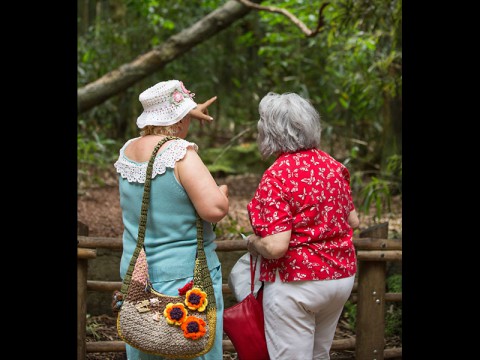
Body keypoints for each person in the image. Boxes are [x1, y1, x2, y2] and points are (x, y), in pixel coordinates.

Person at [113, 79, 229, 360]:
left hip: (138, 272)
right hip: (186, 279)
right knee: (194, 350)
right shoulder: (180, 153)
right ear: (178, 120)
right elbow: (214, 209)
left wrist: (185, 112)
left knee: (146, 347)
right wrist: (223, 193)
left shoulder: (128, 151)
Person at [245, 91, 359, 360]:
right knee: (320, 354)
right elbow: (353, 220)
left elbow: (275, 247)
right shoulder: (332, 165)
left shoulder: (277, 175)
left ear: (269, 132)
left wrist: (252, 242)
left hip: (298, 283)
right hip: (339, 279)